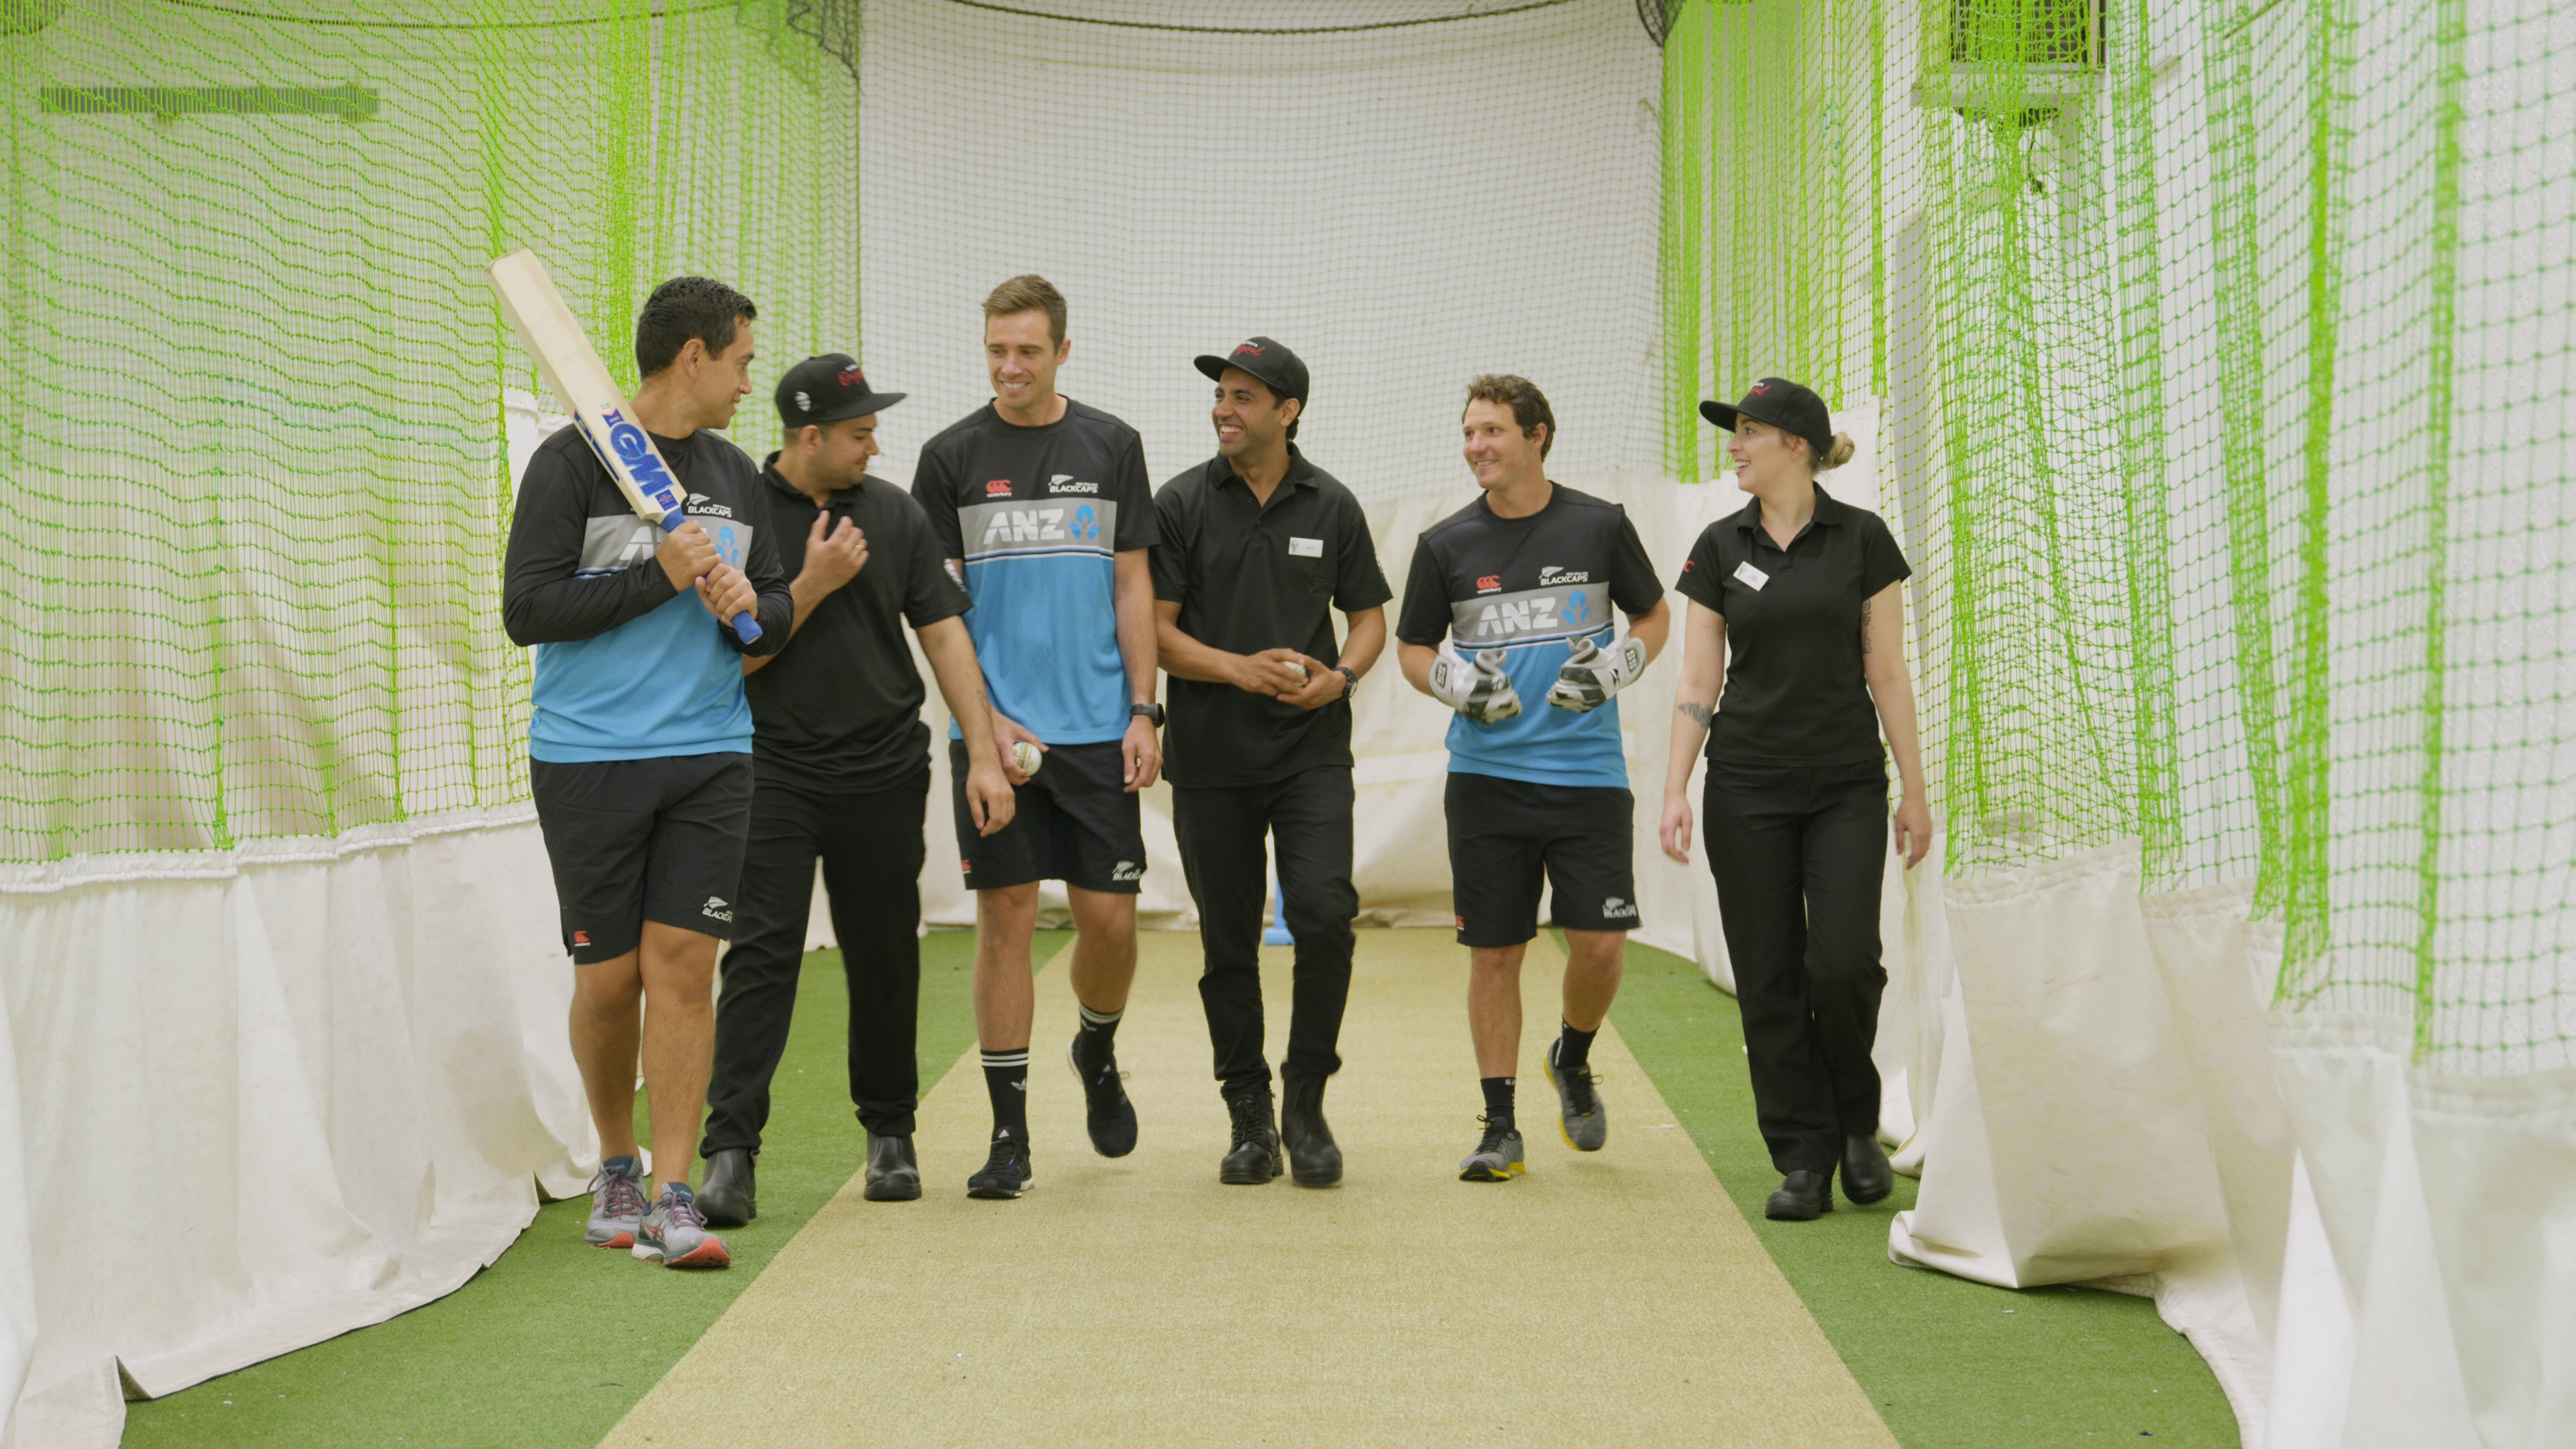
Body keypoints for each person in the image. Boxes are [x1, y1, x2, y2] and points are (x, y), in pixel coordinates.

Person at [502, 275, 792, 1269]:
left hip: (710, 753)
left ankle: (673, 1194)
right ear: (693, 356)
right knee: (608, 977)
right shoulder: (570, 464)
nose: (748, 382)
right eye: (741, 362)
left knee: (682, 967)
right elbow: (528, 611)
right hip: (588, 756)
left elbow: (777, 612)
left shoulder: (735, 473)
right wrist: (656, 577)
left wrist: (751, 604)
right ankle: (615, 1164)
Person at [692, 356, 1018, 1226]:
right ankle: (731, 1155)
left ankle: (891, 1138)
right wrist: (814, 581)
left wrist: (986, 756)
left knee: (885, 954)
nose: (874, 446)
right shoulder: (743, 517)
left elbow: (944, 637)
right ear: (810, 437)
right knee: (760, 956)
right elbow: (738, 658)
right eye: (860, 433)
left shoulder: (894, 513)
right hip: (770, 771)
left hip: (883, 771)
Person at [1657, 378, 1931, 1222]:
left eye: (1749, 432)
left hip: (1846, 783)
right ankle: (1804, 1158)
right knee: (1769, 975)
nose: (1734, 447)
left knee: (1844, 965)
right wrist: (1675, 788)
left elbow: (1888, 672)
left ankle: (1855, 1123)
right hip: (1746, 787)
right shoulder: (1718, 545)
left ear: (1797, 446)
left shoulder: (1863, 539)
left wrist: (1914, 792)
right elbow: (1698, 678)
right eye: (1734, 432)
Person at [912, 275, 1162, 1200]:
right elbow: (939, 611)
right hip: (994, 735)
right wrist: (982, 721)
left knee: (1111, 924)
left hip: (1098, 732)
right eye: (996, 350)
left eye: (1026, 350)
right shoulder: (948, 458)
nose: (1009, 366)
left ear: (1062, 350)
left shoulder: (1112, 445)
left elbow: (1133, 585)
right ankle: (1008, 1138)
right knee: (1005, 921)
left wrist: (1144, 709)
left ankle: (1095, 1046)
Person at [1395, 376, 1670, 1183]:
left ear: (1537, 436)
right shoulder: (1445, 544)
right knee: (1495, 955)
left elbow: (1653, 616)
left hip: (1589, 778)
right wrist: (1454, 685)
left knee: (1601, 945)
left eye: (1492, 431)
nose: (1476, 446)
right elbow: (1413, 649)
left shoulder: (1599, 525)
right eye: (1469, 432)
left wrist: (1617, 667)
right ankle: (1501, 1127)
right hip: (1487, 781)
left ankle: (1572, 1057)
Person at [1152, 337, 1390, 1186]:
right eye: (1221, 394)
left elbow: (1369, 619)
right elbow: (1155, 633)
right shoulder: (1179, 502)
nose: (1223, 408)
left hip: (1309, 754)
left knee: (1324, 913)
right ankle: (1249, 1115)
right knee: (1229, 943)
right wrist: (1237, 669)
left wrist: (1342, 677)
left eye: (1243, 396)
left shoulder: (1333, 504)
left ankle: (1306, 1102)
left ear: (1287, 412)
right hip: (1210, 758)